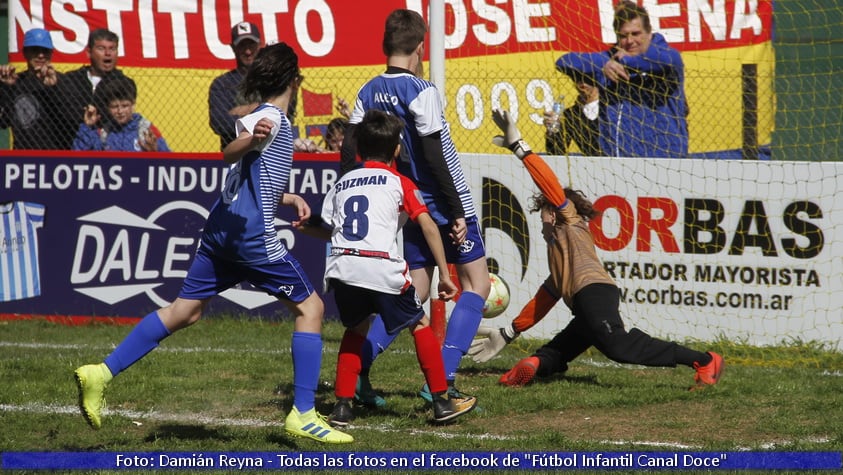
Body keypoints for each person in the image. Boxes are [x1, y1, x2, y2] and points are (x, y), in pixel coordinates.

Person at [73, 42, 353, 444]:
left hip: (221, 229)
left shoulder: (264, 117)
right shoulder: (271, 118)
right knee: (312, 308)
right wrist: (252, 139)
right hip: (250, 239)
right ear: (295, 80)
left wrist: (286, 197)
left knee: (184, 312)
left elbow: (252, 174)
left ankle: (100, 373)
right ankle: (304, 414)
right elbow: (230, 152)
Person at [467, 109, 724, 391]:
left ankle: (705, 360)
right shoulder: (558, 254)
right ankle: (536, 364)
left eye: (543, 213)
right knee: (568, 344)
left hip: (593, 292)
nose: (540, 220)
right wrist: (509, 332)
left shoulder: (570, 222)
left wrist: (520, 149)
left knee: (618, 347)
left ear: (553, 213)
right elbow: (545, 298)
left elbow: (551, 187)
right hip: (586, 298)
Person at [340, 9, 490, 407]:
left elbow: (348, 151)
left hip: (402, 200)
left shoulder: (367, 90)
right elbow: (435, 155)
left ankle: (357, 374)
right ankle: (444, 378)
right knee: (477, 285)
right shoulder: (420, 89)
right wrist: (457, 209)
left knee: (417, 290)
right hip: (441, 200)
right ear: (420, 47)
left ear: (383, 46)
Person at [306, 109, 475, 427]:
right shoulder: (400, 182)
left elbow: (327, 227)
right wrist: (444, 273)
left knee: (355, 329)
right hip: (380, 266)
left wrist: (306, 228)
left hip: (343, 267)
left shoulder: (343, 183)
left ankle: (342, 407)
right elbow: (427, 225)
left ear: (358, 149)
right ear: (397, 149)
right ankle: (441, 401)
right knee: (420, 324)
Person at [555, 0, 688, 158]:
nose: (630, 41)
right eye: (623, 36)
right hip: (617, 164)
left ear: (649, 33)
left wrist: (624, 63)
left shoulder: (664, 57)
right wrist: (604, 64)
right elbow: (564, 62)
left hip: (666, 162)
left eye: (635, 34)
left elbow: (668, 60)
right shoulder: (608, 61)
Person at [59, 28, 129, 149]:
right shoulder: (71, 80)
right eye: (101, 48)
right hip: (73, 147)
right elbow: (66, 114)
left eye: (112, 48)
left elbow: (117, 117)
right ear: (89, 53)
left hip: (109, 150)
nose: (108, 53)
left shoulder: (124, 83)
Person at [0, 28, 65, 149]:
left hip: (56, 155)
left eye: (45, 51)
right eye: (35, 51)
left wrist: (55, 88)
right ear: (25, 52)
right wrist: (6, 88)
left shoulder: (63, 81)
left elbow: (71, 118)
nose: (40, 55)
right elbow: (3, 122)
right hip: (23, 157)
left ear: (51, 54)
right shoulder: (17, 82)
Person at [71, 76, 170, 152]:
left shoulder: (146, 129)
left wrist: (155, 152)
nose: (120, 111)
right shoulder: (103, 132)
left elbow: (170, 163)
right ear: (108, 108)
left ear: (133, 105)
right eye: (114, 107)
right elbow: (78, 156)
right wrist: (87, 126)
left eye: (125, 106)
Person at [208, 21, 262, 150]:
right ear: (233, 48)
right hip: (234, 154)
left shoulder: (271, 80)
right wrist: (260, 110)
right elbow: (220, 124)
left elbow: (283, 115)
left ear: (259, 45)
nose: (248, 51)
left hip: (268, 154)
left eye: (251, 45)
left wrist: (241, 112)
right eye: (242, 46)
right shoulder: (221, 84)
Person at [543, 74, 601, 156]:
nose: (583, 83)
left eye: (588, 78)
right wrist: (552, 131)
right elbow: (556, 152)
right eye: (577, 79)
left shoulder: (612, 107)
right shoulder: (571, 113)